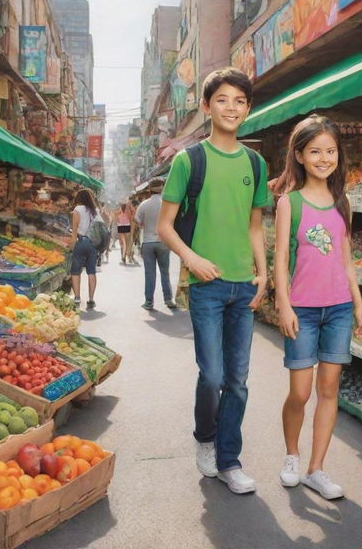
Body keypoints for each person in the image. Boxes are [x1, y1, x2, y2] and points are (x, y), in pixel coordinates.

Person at [158, 67, 271, 495]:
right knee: (212, 376)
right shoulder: (190, 161)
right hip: (206, 286)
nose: (232, 108)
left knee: (238, 380)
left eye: (240, 101)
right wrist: (193, 260)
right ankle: (204, 437)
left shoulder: (256, 164)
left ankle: (230, 459)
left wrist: (262, 273)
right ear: (206, 106)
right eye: (222, 99)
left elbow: (255, 225)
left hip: (244, 285)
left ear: (248, 109)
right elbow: (166, 226)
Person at [272, 114, 362, 500]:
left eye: (330, 151)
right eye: (315, 151)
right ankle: (292, 455)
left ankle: (317, 468)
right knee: (300, 391)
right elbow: (280, 258)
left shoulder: (342, 201)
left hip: (340, 309)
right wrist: (284, 304)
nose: (324, 158)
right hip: (304, 310)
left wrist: (358, 303)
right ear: (299, 155)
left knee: (329, 390)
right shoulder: (288, 204)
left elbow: (346, 260)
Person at [135, 179, 177, 311]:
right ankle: (168, 299)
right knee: (165, 272)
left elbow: (136, 220)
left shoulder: (144, 204)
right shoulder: (166, 204)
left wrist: (144, 225)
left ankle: (149, 302)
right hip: (163, 242)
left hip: (148, 242)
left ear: (150, 189)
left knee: (150, 273)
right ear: (163, 188)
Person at [69, 188, 102, 310]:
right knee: (91, 271)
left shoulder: (77, 210)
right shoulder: (96, 211)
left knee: (75, 271)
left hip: (82, 242)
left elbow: (74, 234)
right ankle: (91, 299)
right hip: (93, 244)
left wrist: (71, 247)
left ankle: (77, 297)